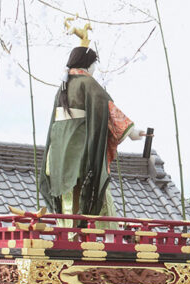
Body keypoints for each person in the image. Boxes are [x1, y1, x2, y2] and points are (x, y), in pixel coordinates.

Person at [41, 30, 148, 217]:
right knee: (96, 190)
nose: (94, 69)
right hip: (78, 151)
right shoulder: (87, 83)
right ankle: (105, 234)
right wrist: (132, 132)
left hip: (57, 151)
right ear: (88, 64)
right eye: (94, 64)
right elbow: (108, 110)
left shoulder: (63, 87)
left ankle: (68, 232)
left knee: (67, 198)